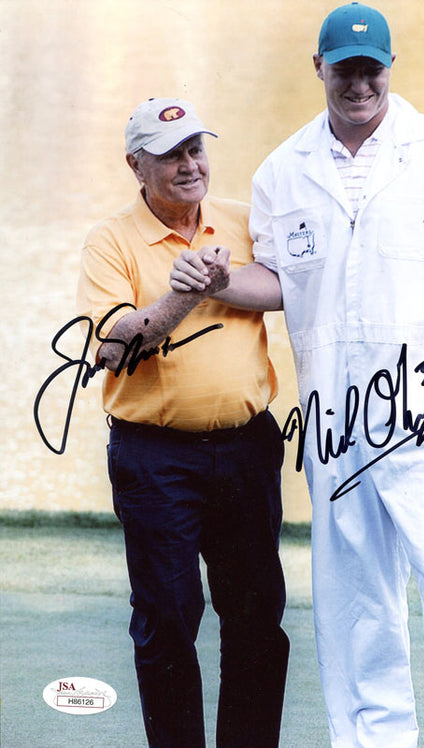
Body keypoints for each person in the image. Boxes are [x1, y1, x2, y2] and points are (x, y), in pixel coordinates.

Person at [172, 4, 424, 746]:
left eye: (371, 69)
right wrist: (214, 282)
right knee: (358, 613)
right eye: (344, 69)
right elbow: (280, 281)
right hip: (338, 429)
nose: (358, 84)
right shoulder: (283, 171)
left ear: (390, 70)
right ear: (320, 69)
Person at [77, 97, 289, 748]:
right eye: (170, 155)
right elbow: (111, 346)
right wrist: (183, 293)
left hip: (249, 448)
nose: (190, 164)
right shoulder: (110, 241)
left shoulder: (244, 221)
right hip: (155, 456)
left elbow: (293, 286)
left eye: (196, 148)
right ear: (136, 166)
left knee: (255, 617)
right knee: (169, 617)